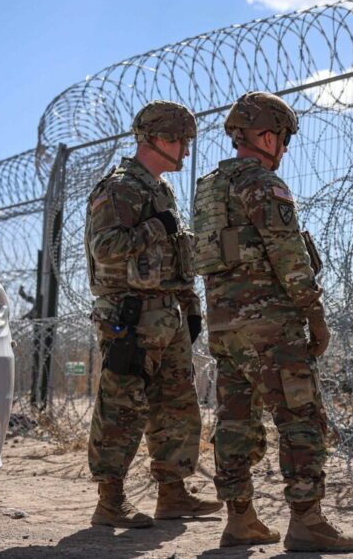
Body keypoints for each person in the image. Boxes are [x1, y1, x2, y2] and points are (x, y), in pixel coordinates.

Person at [192, 91, 353, 552]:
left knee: (234, 422)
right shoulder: (263, 184)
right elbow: (288, 256)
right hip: (270, 325)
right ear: (267, 136)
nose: (284, 149)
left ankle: (240, 519)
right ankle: (307, 521)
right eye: (284, 139)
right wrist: (316, 317)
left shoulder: (209, 186)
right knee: (301, 419)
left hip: (225, 327)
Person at [84, 100, 222, 528]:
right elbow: (103, 246)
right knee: (122, 407)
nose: (185, 150)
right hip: (131, 317)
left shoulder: (161, 190)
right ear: (159, 138)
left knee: (178, 407)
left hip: (169, 316)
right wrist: (154, 227)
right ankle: (110, 501)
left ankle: (173, 492)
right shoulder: (120, 187)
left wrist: (192, 307)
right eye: (181, 141)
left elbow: (176, 256)